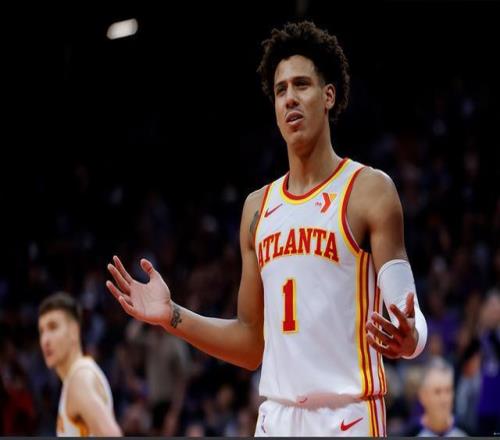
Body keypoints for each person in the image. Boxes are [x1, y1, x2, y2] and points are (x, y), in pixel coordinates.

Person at [106, 20, 428, 436]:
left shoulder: (369, 190)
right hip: (276, 418)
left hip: (348, 416)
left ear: (329, 95)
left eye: (302, 85)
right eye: (280, 90)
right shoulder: (257, 208)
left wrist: (412, 338)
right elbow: (250, 344)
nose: (290, 98)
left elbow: (407, 310)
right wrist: (172, 316)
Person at [38, 292, 122, 436]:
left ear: (74, 331)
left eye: (53, 327)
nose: (45, 340)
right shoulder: (75, 378)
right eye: (42, 331)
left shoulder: (80, 379)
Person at [405, 357, 467, 436]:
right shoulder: (410, 433)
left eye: (448, 390)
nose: (444, 399)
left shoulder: (466, 431)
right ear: (423, 396)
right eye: (437, 392)